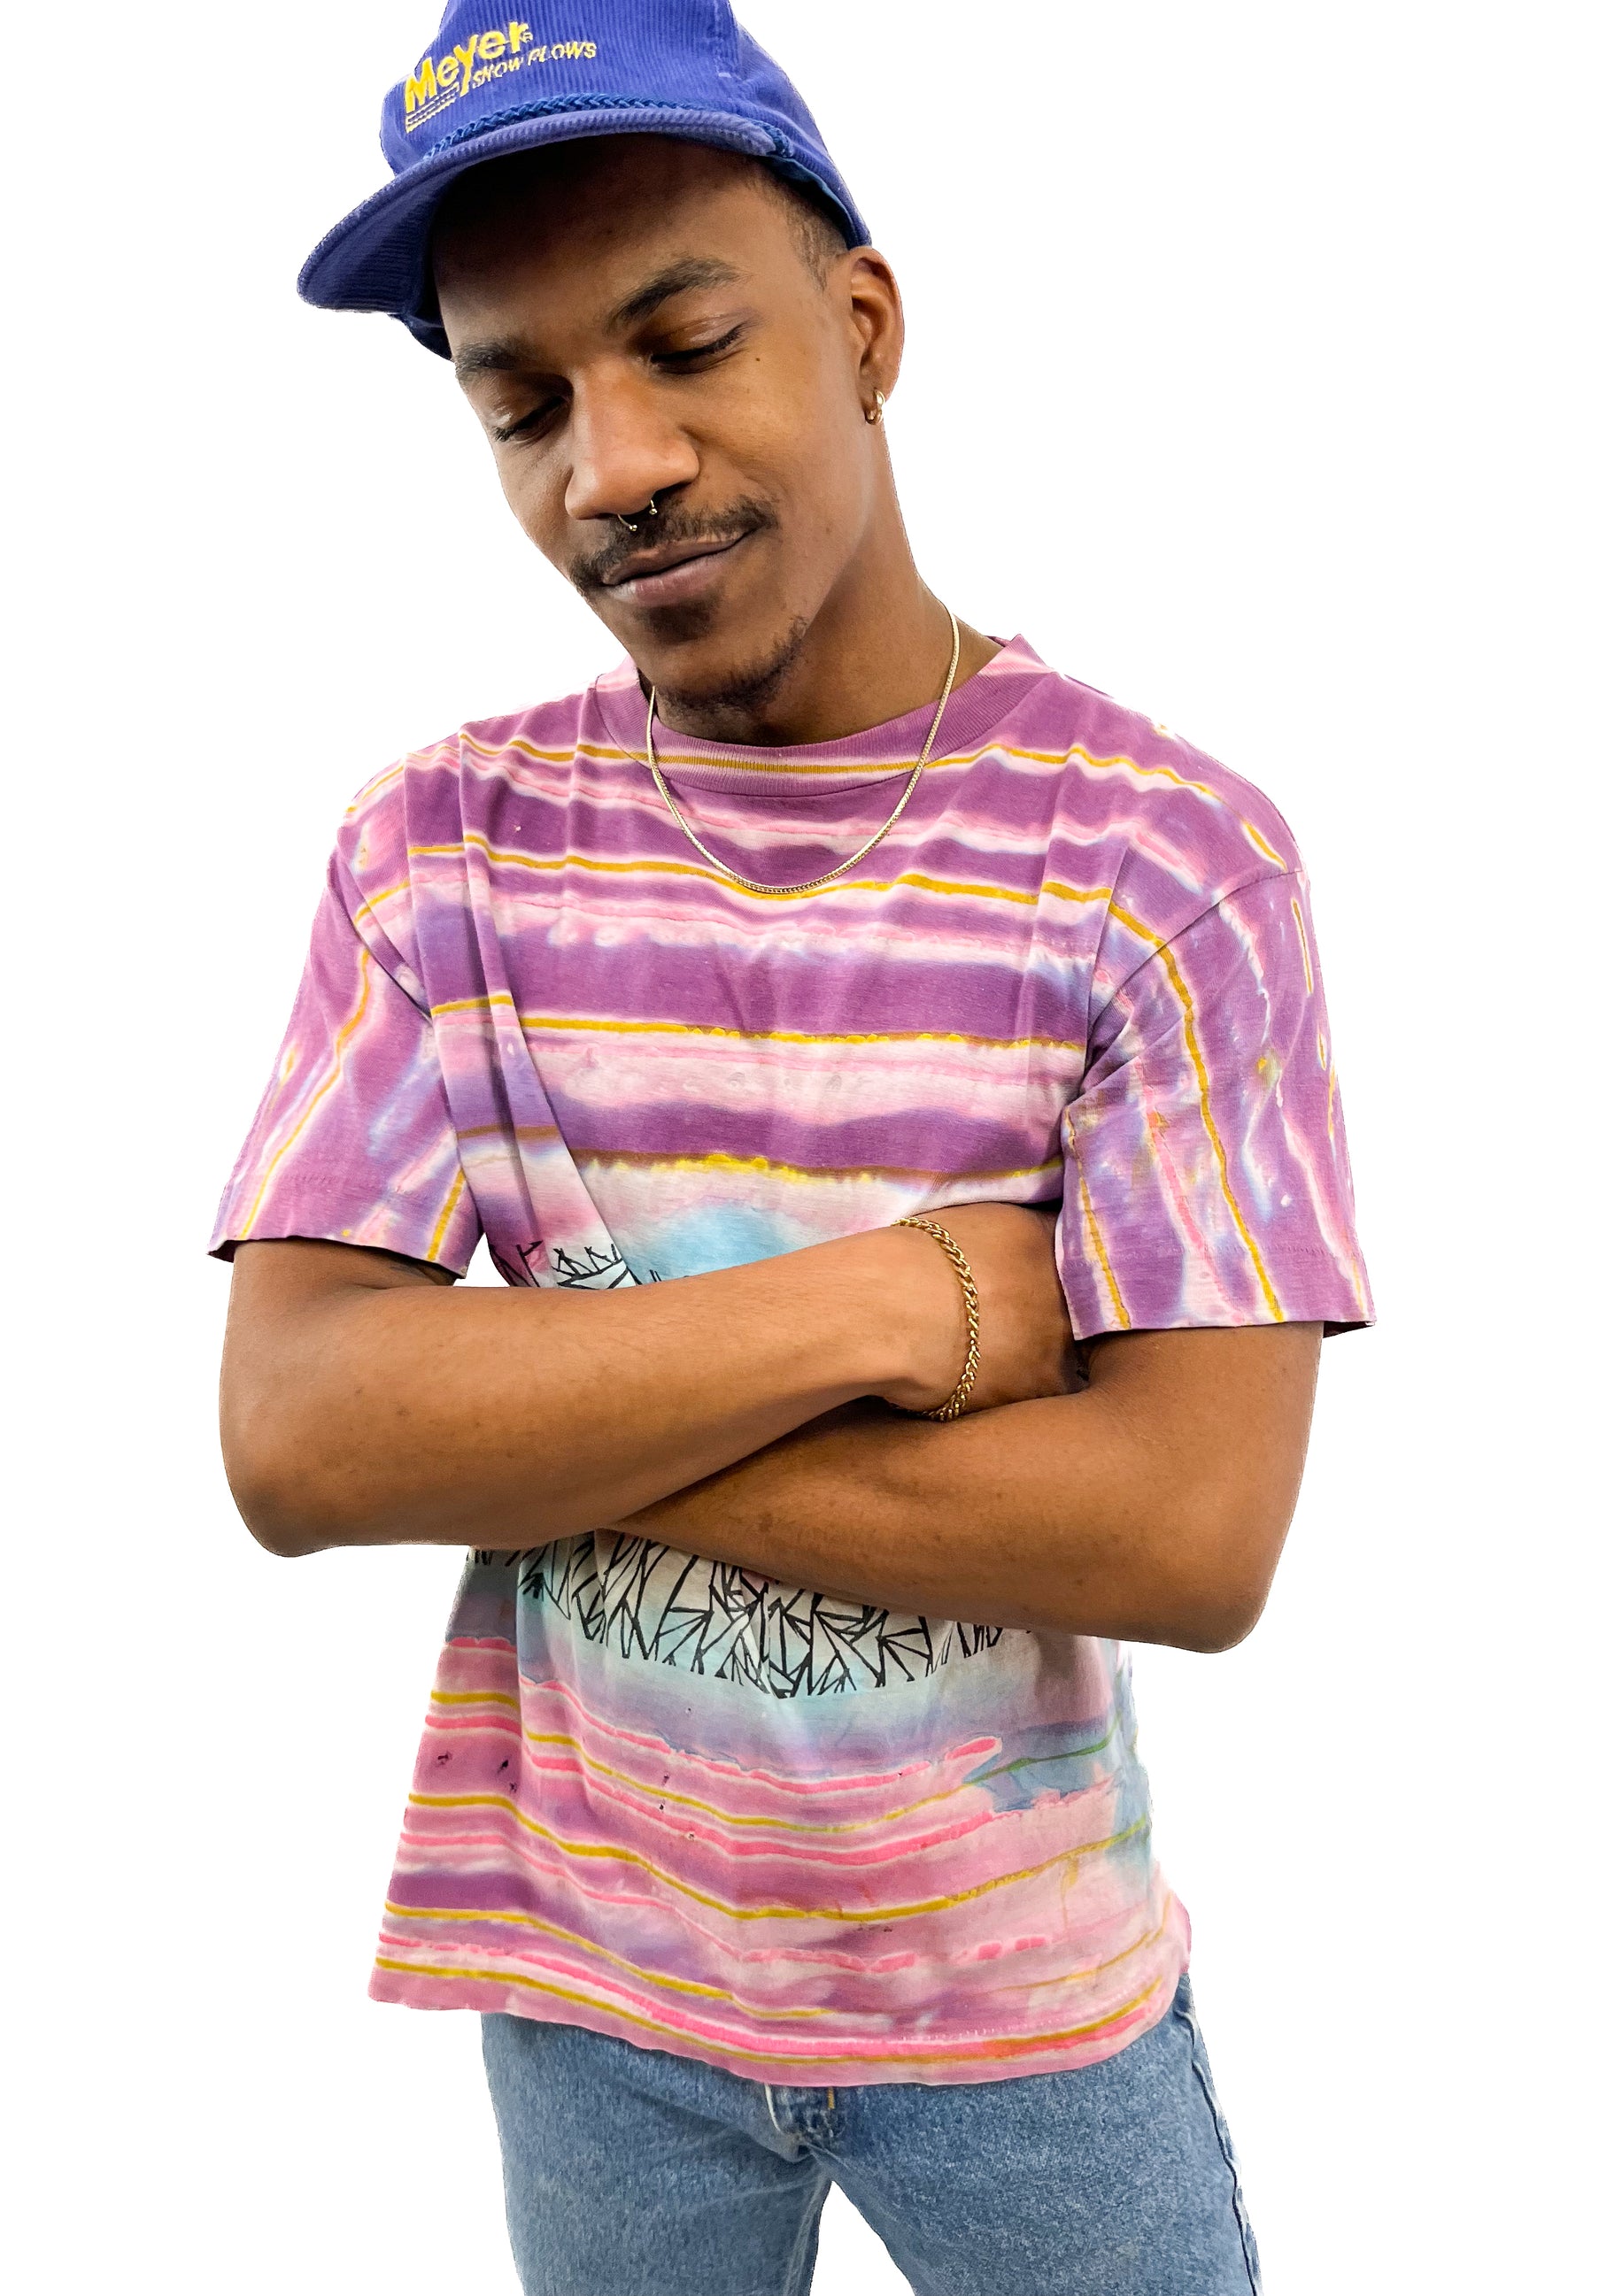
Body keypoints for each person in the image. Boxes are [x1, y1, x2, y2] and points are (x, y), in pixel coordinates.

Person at [213, 6, 1372, 2291]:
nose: (611, 466)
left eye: (685, 344)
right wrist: (894, 1302)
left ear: (862, 327)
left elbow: (1187, 1527)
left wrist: (517, 1417)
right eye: (522, 405)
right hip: (587, 1989)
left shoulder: (1166, 859)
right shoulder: (433, 852)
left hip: (1024, 2008)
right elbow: (295, 1438)